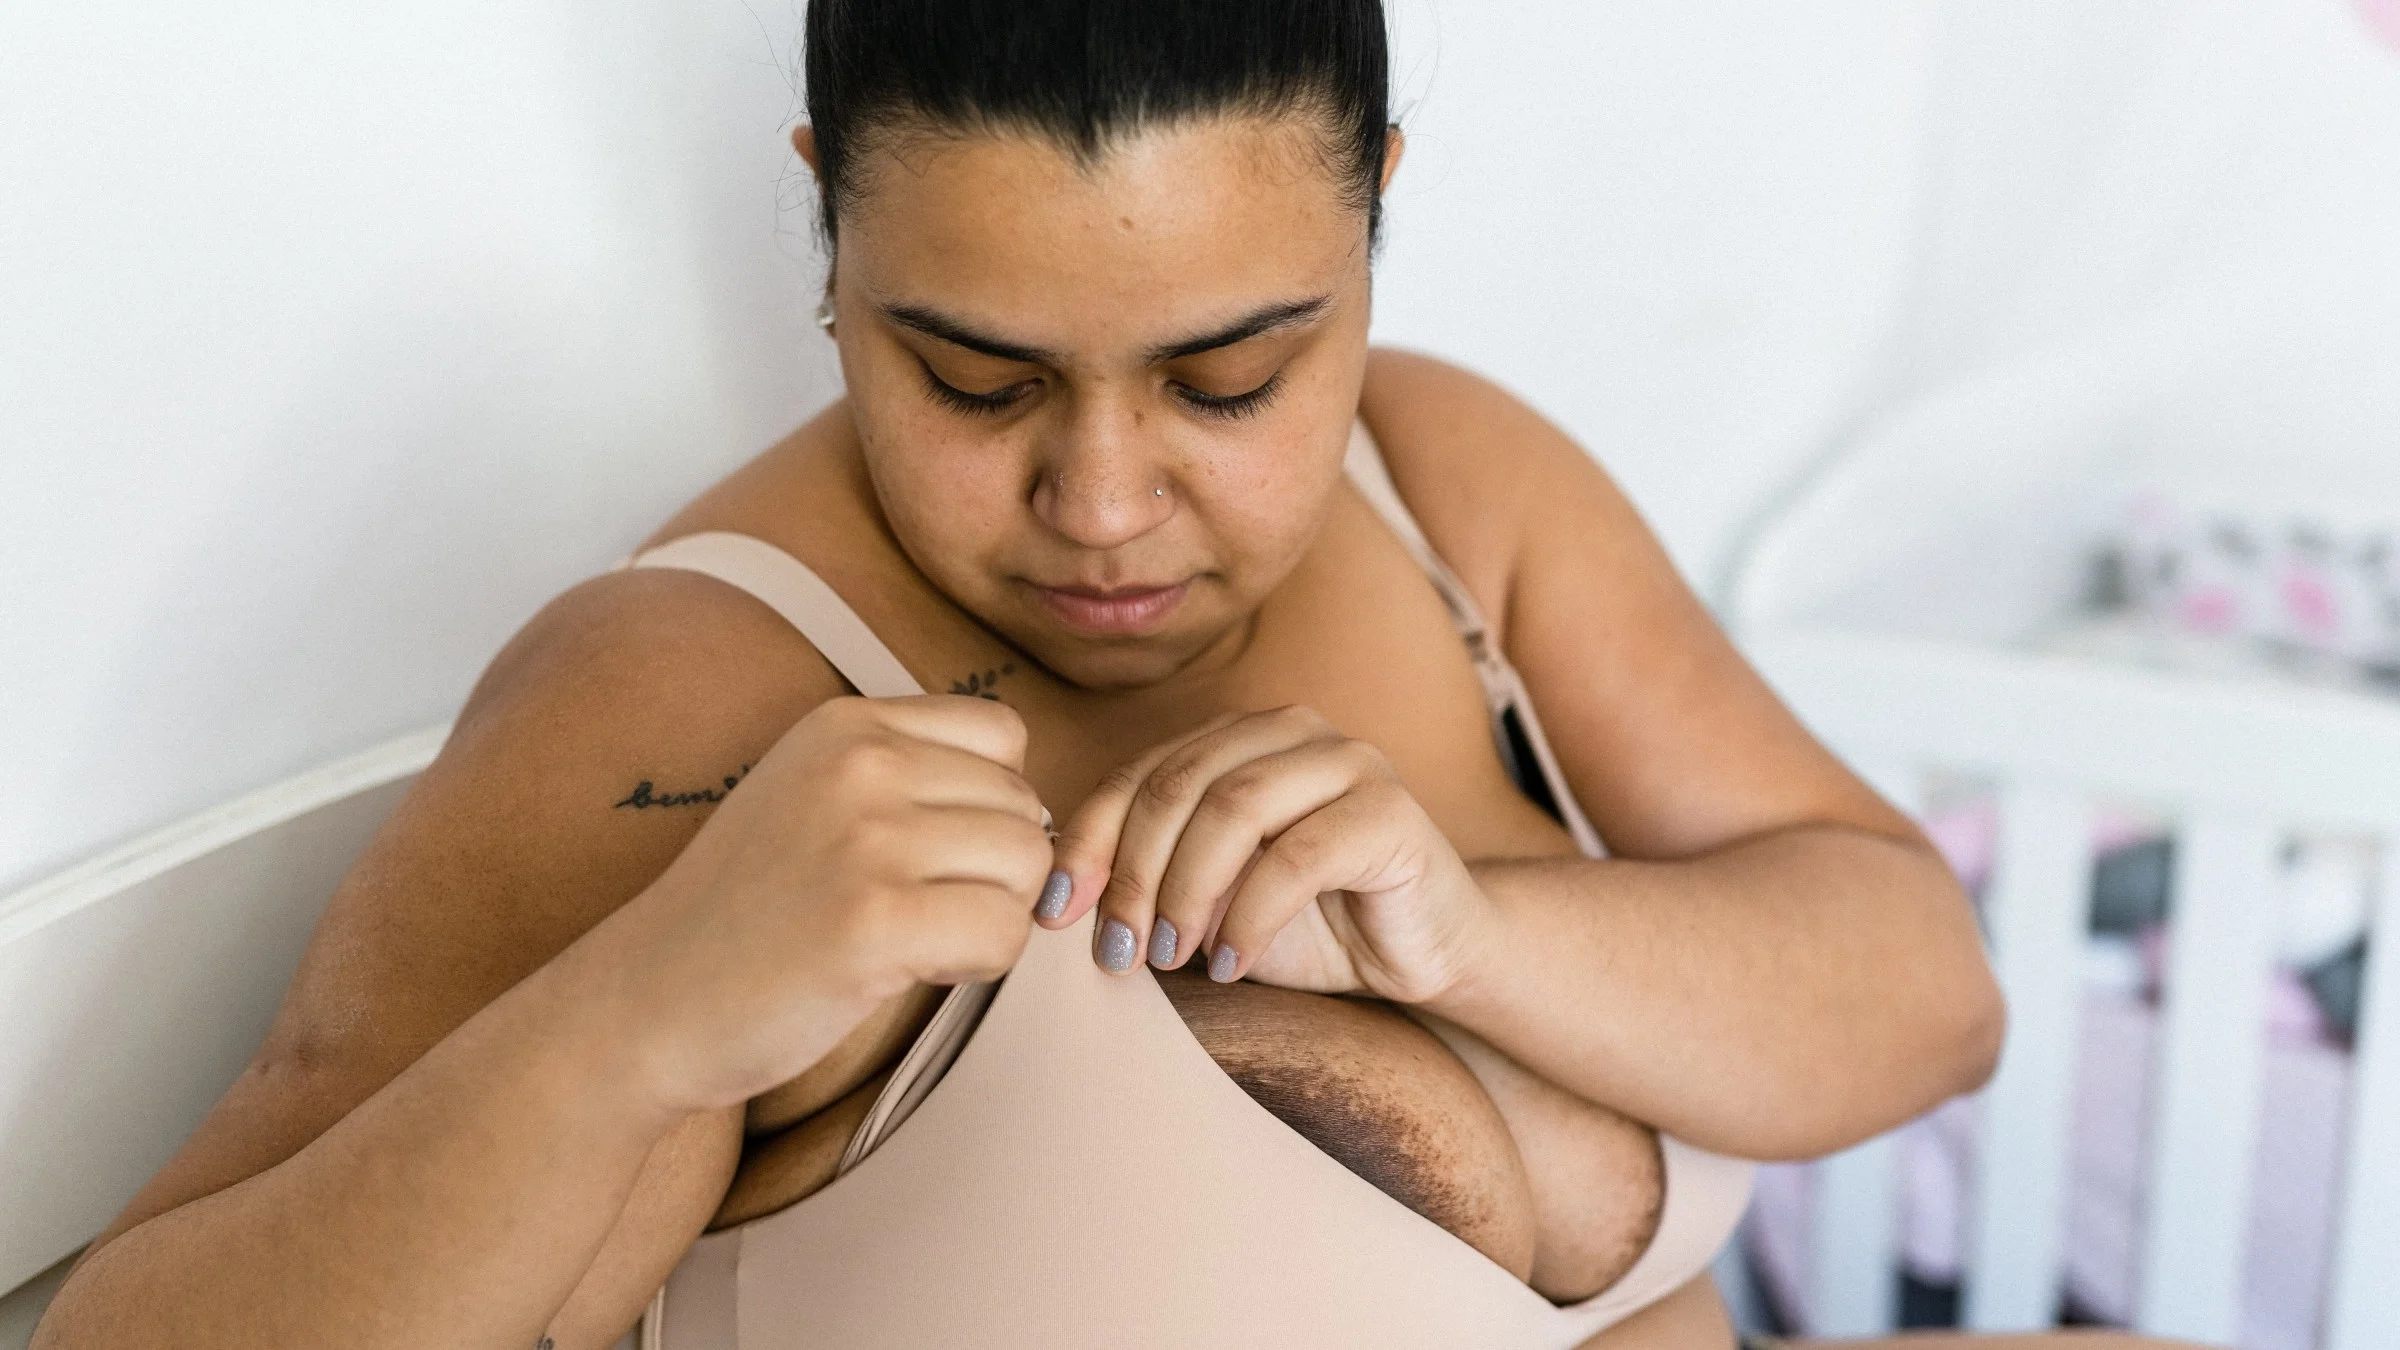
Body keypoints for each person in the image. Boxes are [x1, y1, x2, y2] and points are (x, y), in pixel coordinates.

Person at [33, 3, 2182, 1347]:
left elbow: (1929, 998)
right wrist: (648, 1017)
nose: (1107, 504)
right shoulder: (680, 704)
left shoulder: (1450, 484)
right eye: (973, 378)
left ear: (1375, 225)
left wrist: (1477, 932)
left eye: (1232, 376)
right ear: (829, 240)